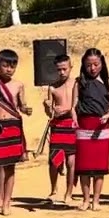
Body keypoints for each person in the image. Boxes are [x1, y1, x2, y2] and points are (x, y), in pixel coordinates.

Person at [0, 49, 32, 216]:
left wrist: (26, 109)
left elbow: (22, 105)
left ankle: (6, 203)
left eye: (13, 66)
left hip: (13, 126)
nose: (9, 69)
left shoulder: (18, 85)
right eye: (5, 65)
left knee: (10, 167)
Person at [74, 48, 109, 210]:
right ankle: (85, 200)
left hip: (101, 127)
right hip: (84, 126)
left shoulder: (107, 83)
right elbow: (73, 105)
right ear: (84, 65)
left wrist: (108, 116)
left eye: (96, 64)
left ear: (102, 64)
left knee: (99, 167)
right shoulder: (79, 82)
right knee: (84, 166)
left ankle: (96, 201)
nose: (92, 68)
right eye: (89, 65)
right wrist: (75, 120)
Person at [42, 54, 78, 205]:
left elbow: (76, 104)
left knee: (71, 161)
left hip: (72, 124)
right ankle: (53, 189)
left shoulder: (77, 84)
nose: (62, 72)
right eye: (59, 70)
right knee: (54, 161)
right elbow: (49, 112)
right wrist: (47, 106)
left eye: (65, 69)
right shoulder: (52, 87)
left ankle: (69, 192)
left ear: (71, 67)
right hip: (57, 126)